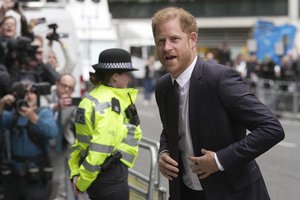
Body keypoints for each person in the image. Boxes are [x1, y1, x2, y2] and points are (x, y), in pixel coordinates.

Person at [152, 7, 285, 200]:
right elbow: (170, 130)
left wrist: (219, 160)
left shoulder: (219, 79)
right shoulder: (163, 87)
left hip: (234, 194)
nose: (166, 47)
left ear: (192, 40)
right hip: (186, 193)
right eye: (160, 41)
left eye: (174, 39)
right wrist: (163, 151)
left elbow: (272, 128)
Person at [68, 48, 142, 200]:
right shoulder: (110, 104)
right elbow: (100, 148)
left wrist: (76, 173)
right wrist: (82, 182)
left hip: (98, 176)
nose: (129, 78)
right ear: (115, 76)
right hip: (110, 177)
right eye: (126, 73)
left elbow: (80, 144)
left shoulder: (91, 97)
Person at [0, 80, 58, 200]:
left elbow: (52, 132)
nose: (29, 95)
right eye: (25, 93)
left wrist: (33, 117)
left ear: (37, 96)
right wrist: (2, 103)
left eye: (32, 92)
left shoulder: (43, 112)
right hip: (15, 176)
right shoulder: (14, 115)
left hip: (36, 176)